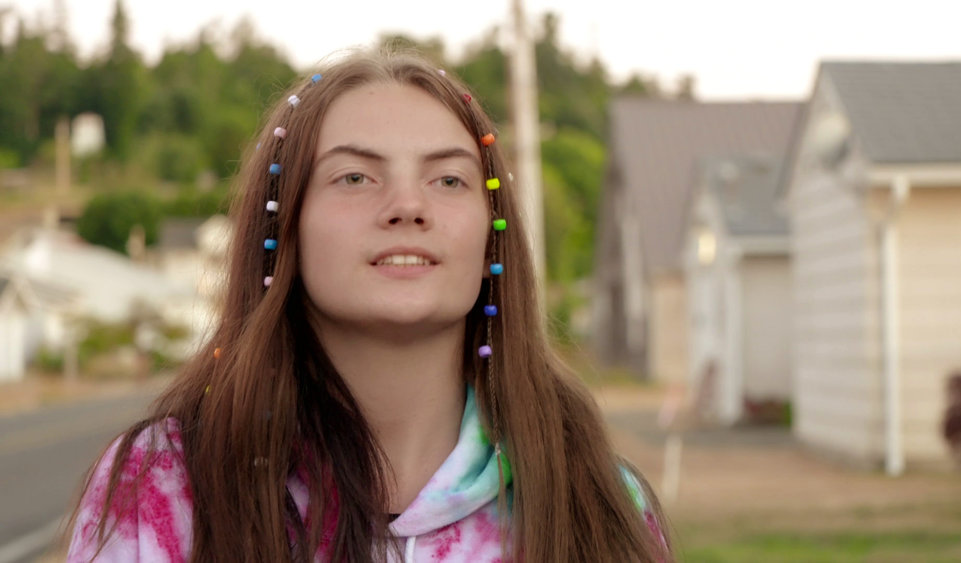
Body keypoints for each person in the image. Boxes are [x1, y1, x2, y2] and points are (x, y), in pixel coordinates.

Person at [67, 49, 671, 562]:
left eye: (449, 179)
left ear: (492, 235)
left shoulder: (598, 500)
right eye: (355, 177)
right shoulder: (165, 483)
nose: (408, 206)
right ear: (285, 227)